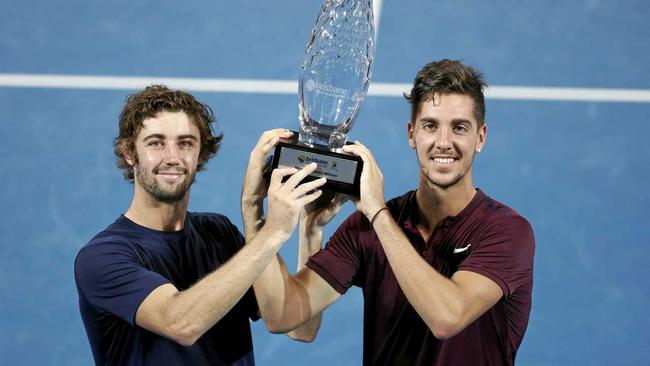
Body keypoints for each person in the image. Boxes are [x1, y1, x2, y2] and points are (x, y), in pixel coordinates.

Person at [246, 59, 536, 365]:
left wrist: (378, 213)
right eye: (430, 126)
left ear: (481, 137)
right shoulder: (367, 227)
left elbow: (447, 317)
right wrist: (260, 214)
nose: (443, 142)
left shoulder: (508, 232)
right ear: (412, 134)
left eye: (459, 128)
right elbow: (284, 318)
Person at [74, 85, 326, 365]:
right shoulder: (102, 257)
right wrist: (273, 232)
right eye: (156, 143)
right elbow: (181, 324)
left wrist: (307, 228)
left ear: (200, 153)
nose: (172, 157)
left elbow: (297, 326)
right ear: (130, 153)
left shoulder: (218, 232)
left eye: (185, 143)